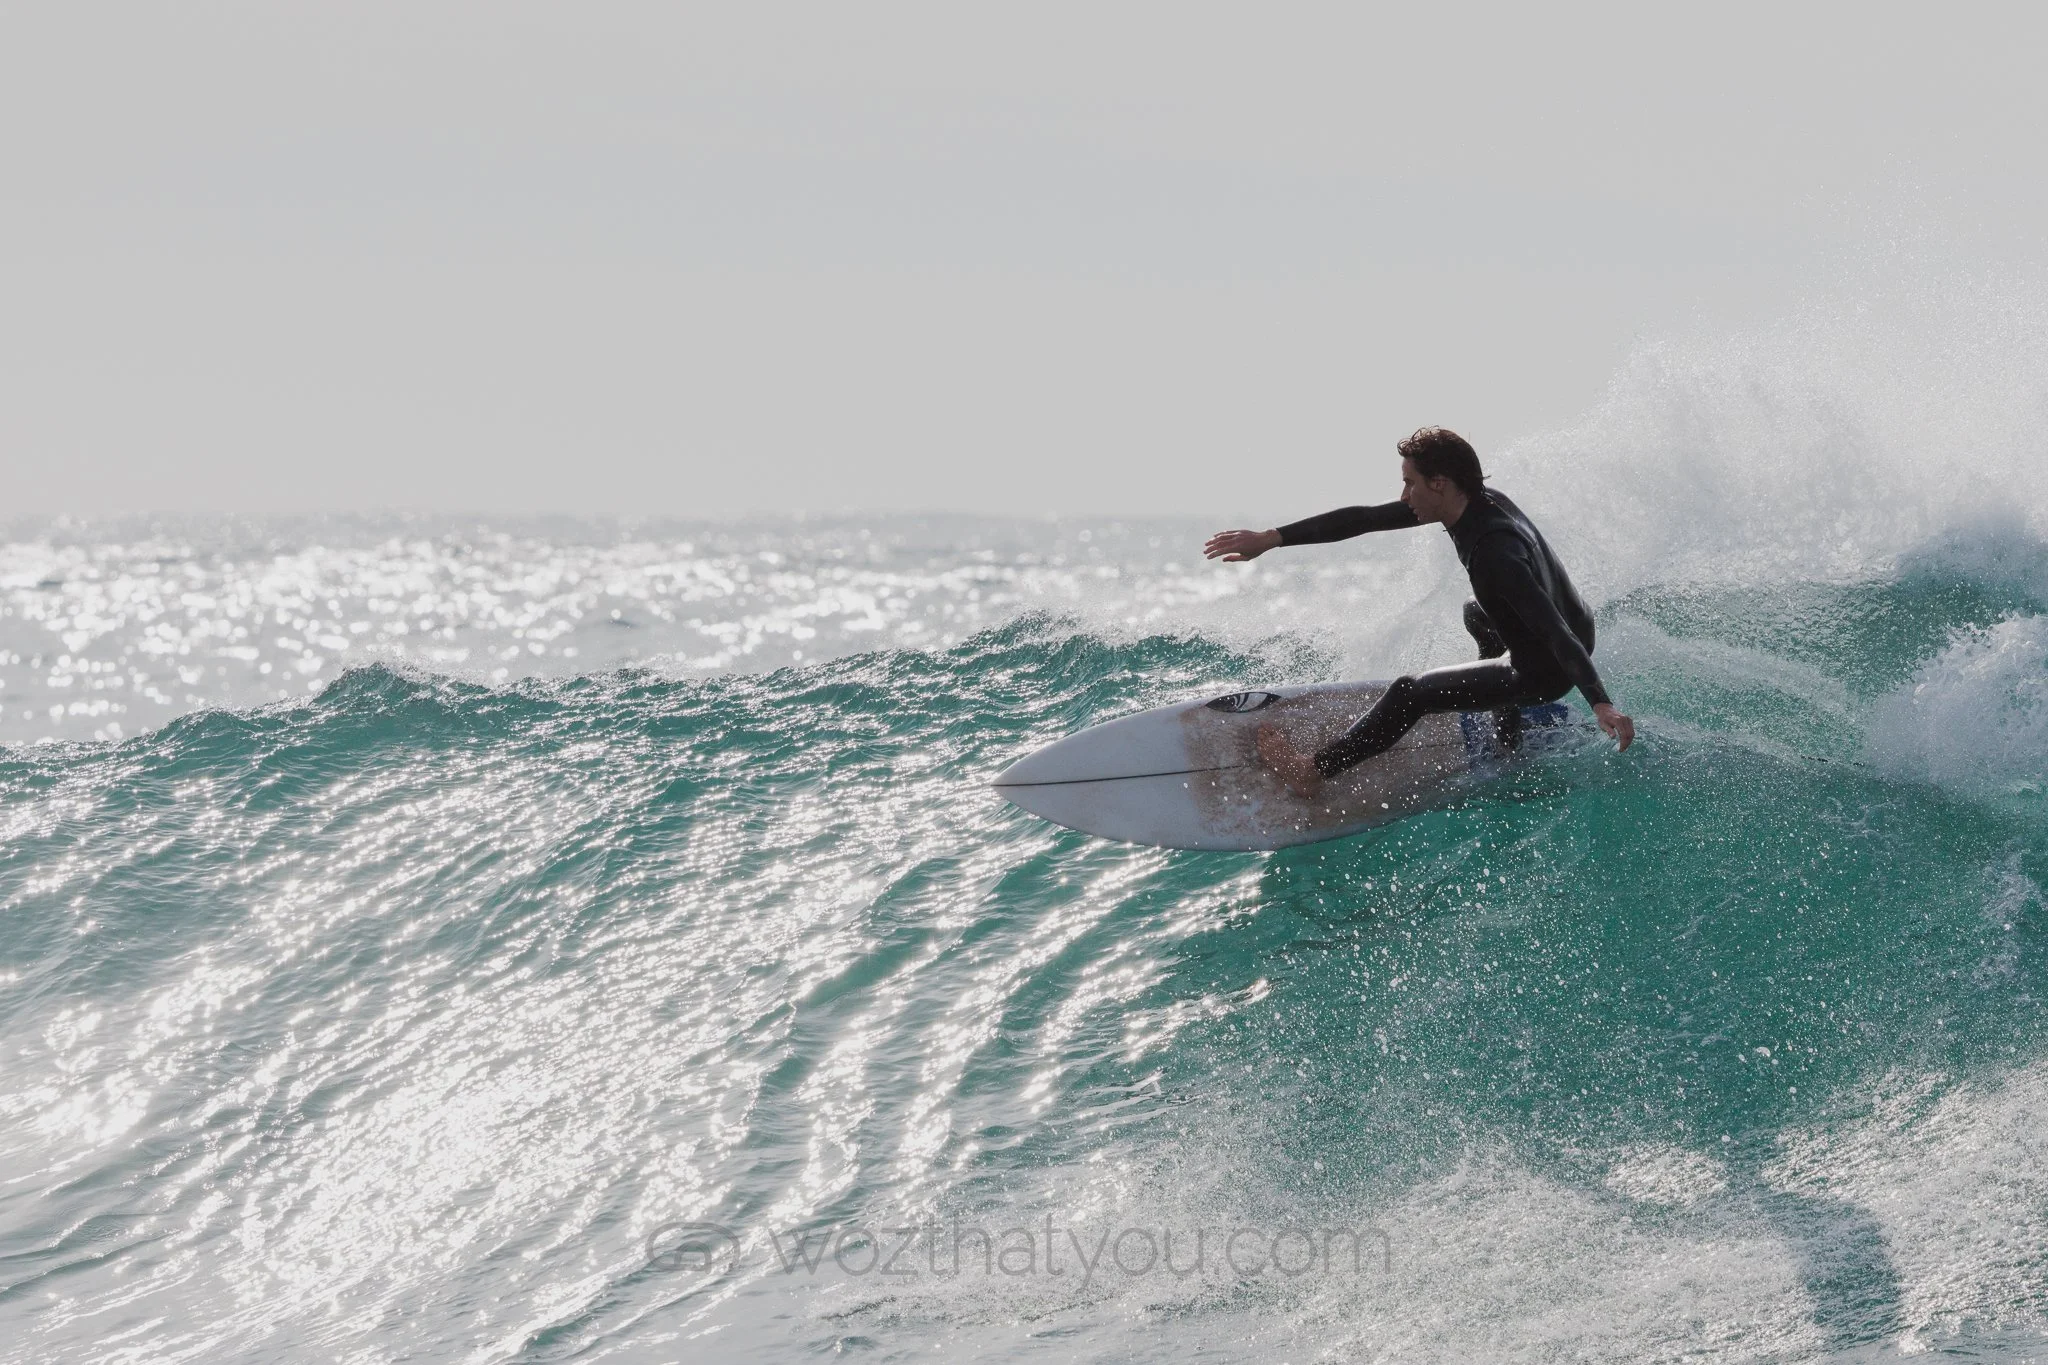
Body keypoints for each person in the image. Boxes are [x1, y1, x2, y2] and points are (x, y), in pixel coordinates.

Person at [1202, 427, 1633, 798]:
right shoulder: (1480, 501)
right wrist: (1272, 538)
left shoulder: (1494, 555)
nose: (1403, 496)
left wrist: (1601, 703)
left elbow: (1555, 632)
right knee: (1477, 613)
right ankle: (1507, 737)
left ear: (1440, 483)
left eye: (1410, 483)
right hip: (1578, 627)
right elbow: (1366, 519)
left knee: (1412, 693)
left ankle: (1311, 772)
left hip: (1549, 666)